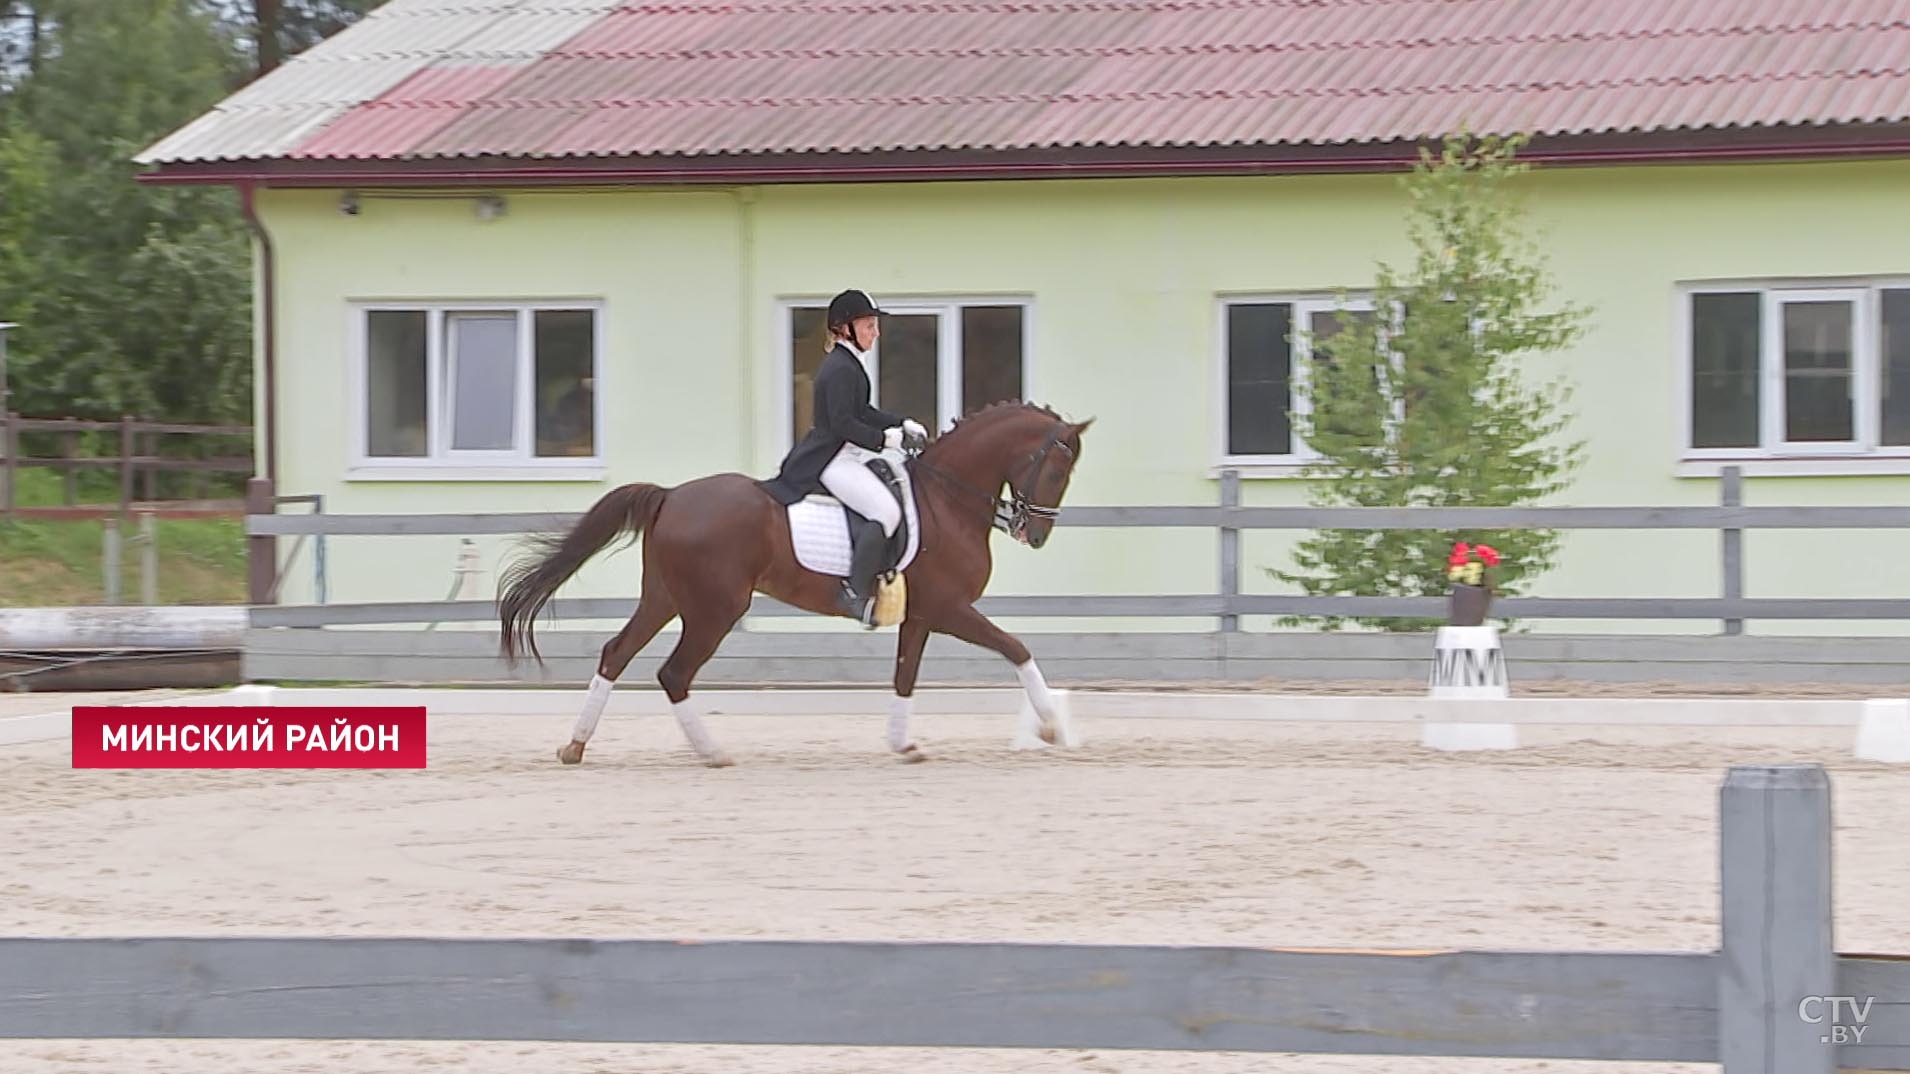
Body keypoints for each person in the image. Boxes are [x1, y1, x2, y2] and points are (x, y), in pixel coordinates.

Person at [762, 289, 927, 626]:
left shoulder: (849, 364)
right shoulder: (839, 368)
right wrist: (885, 439)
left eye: (874, 325)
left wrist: (900, 422)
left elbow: (863, 410)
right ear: (844, 328)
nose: (875, 333)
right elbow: (842, 423)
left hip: (846, 454)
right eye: (869, 325)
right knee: (886, 511)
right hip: (831, 458)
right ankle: (853, 592)